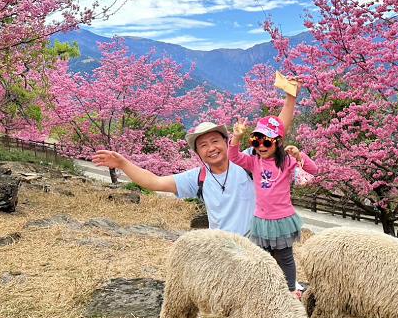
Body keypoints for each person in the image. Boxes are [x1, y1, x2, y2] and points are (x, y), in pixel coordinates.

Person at [91, 85, 298, 236]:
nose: (211, 148)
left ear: (227, 143)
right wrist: (123, 164)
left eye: (215, 141)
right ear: (198, 152)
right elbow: (154, 182)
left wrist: (290, 97)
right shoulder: (198, 177)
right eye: (203, 145)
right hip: (223, 252)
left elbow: (277, 129)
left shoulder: (249, 162)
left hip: (257, 246)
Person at [228, 116, 318, 298]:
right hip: (261, 220)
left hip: (282, 220)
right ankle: (264, 290)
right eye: (256, 140)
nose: (261, 146)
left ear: (277, 142)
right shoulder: (254, 161)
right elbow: (234, 157)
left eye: (266, 141)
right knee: (260, 257)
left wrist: (300, 156)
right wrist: (236, 137)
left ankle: (290, 290)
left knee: (284, 258)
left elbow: (313, 170)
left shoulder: (286, 162)